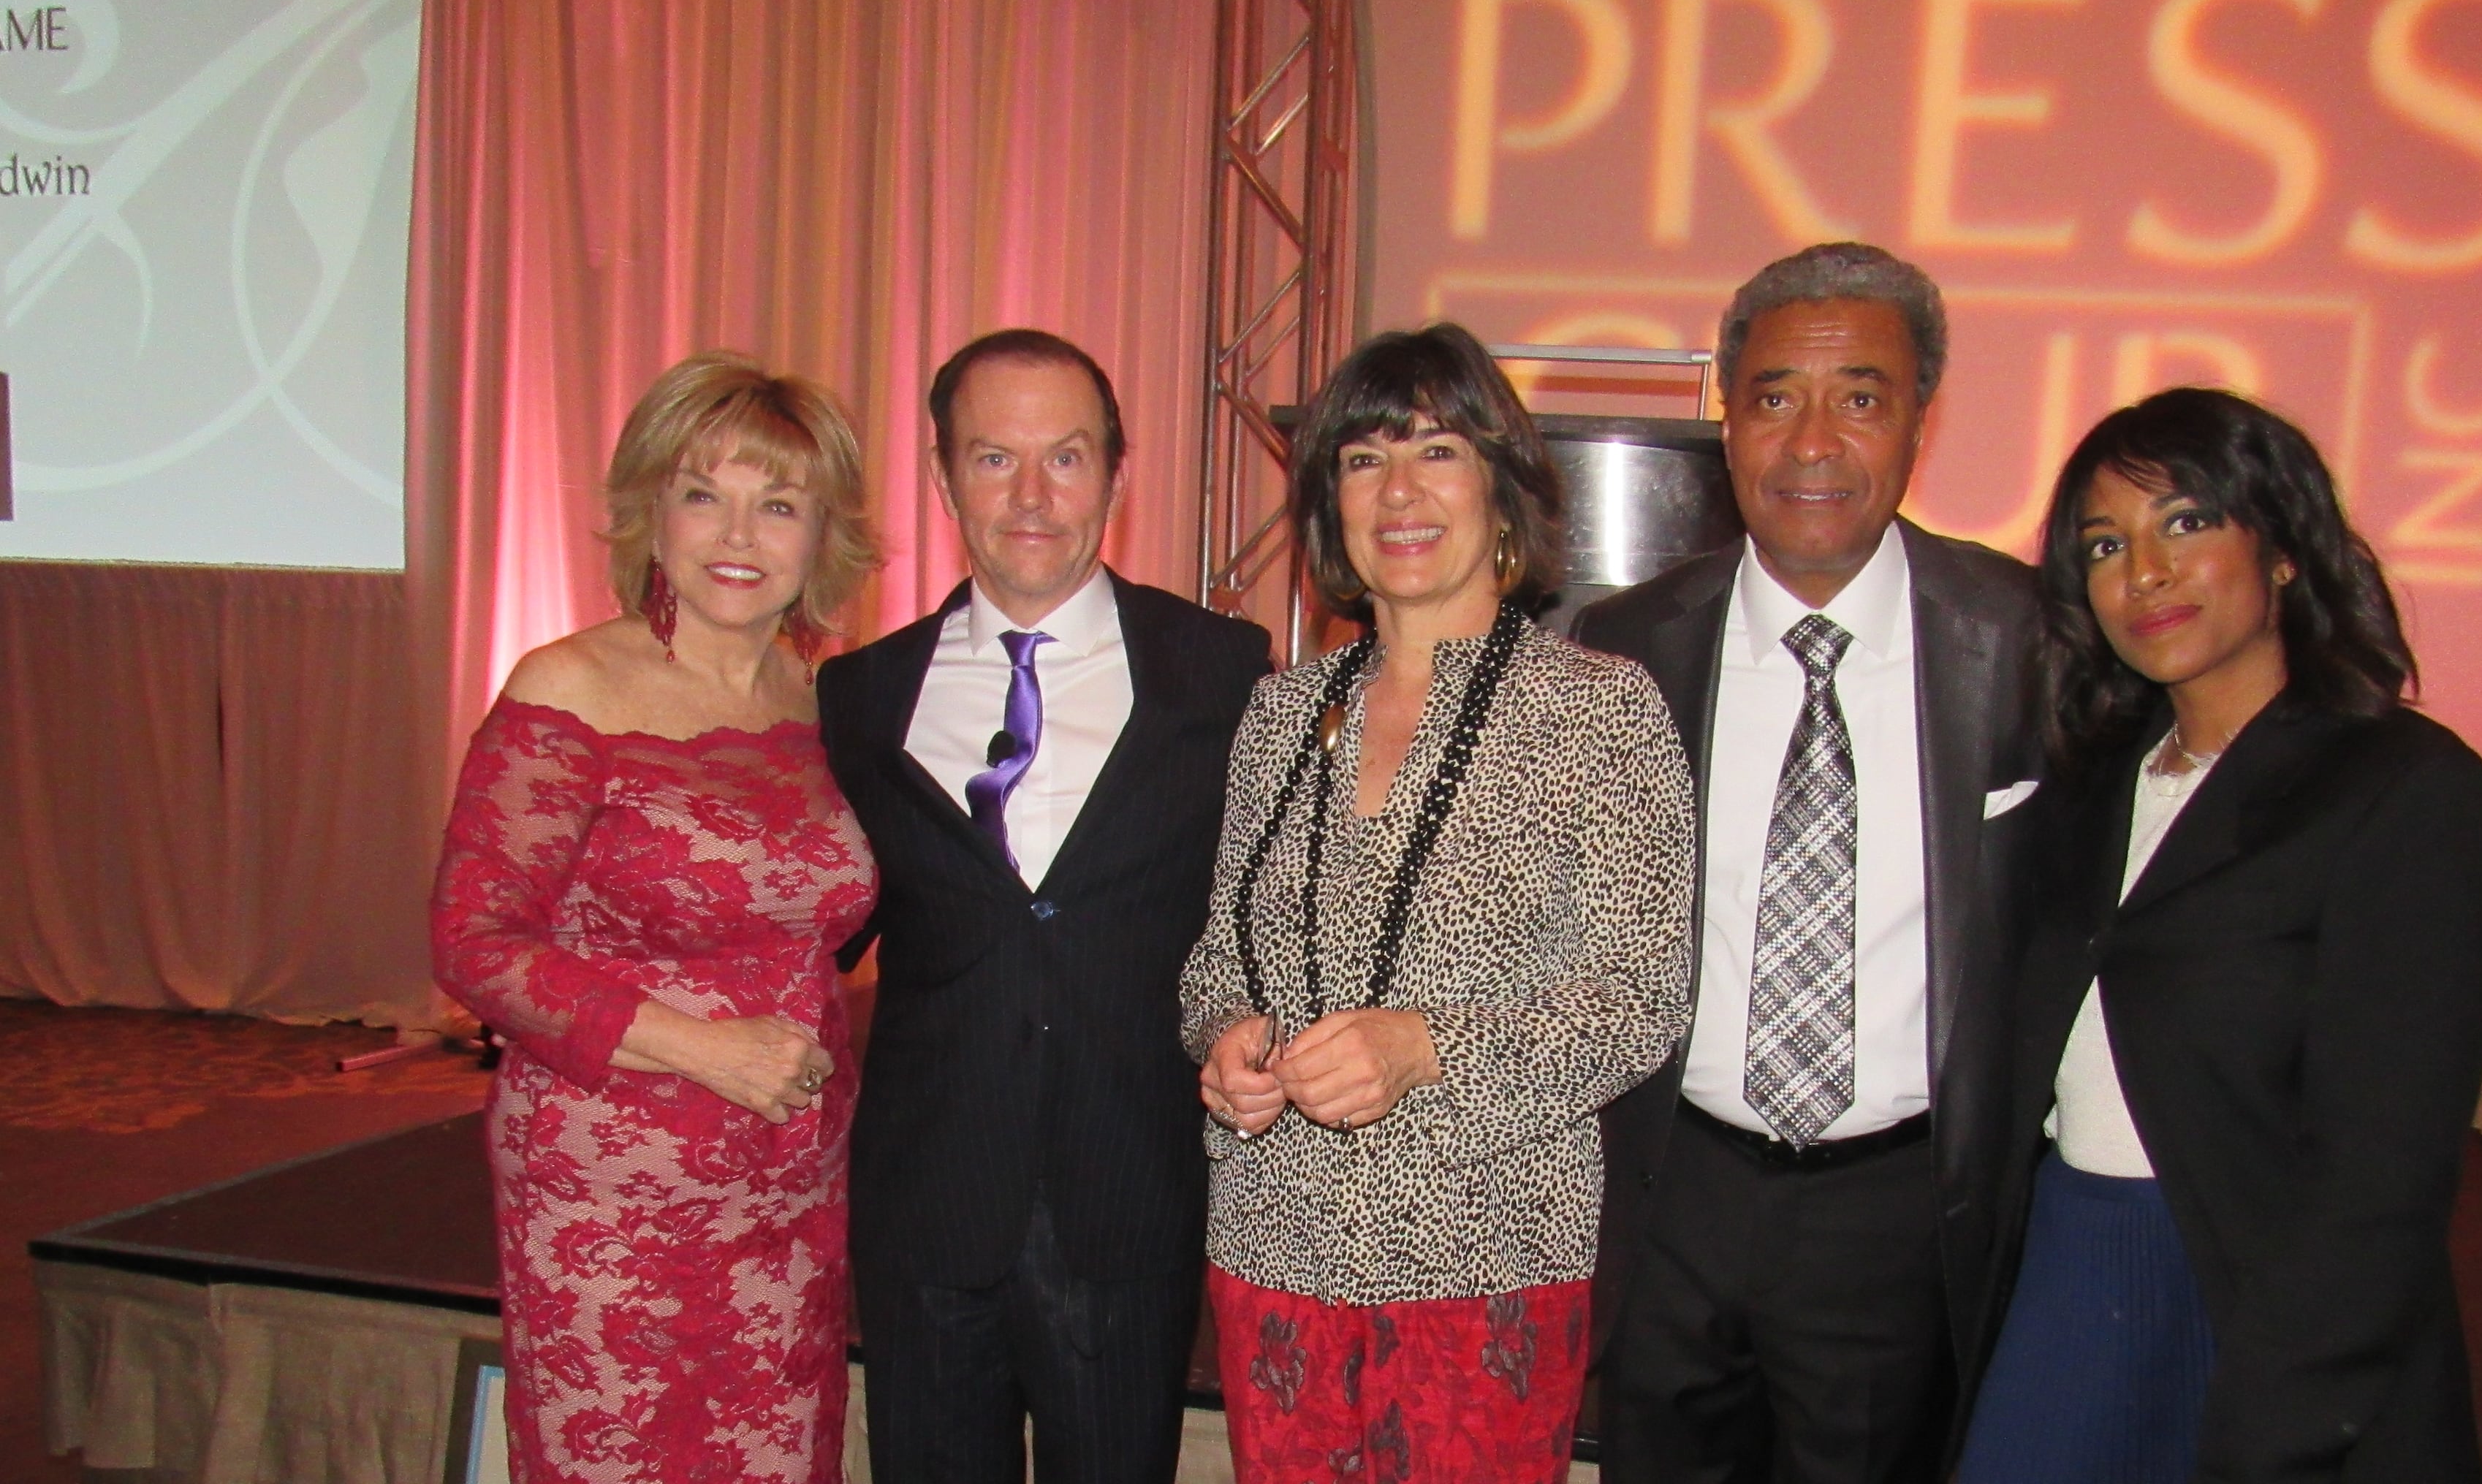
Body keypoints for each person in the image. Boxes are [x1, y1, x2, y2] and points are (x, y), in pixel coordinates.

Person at [1957, 387, 2482, 1483]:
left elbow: (2385, 1178)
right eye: (2106, 545)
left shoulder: (2405, 789)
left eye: (2187, 522)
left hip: (2265, 1298)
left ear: (2286, 548)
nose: (2145, 574)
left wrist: (2298, 1401)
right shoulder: (2087, 789)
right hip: (2072, 1262)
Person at [1180, 321, 1695, 1483]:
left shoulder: (1599, 712)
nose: (1400, 491)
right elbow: (1218, 956)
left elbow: (1639, 999)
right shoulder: (1280, 716)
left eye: (1439, 451)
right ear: (1329, 508)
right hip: (1276, 1243)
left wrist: (1427, 1049)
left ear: (1504, 492)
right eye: (1363, 460)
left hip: (1487, 1254)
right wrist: (1222, 1043)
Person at [1575, 242, 2044, 1483]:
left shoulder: (2025, 639)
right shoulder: (1624, 646)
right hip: (1673, 1189)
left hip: (1896, 1209)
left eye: (1862, 399)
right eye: (1777, 397)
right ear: (1728, 423)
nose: (1815, 442)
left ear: (1918, 425)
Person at [815, 329, 1271, 1484]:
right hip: (927, 1202)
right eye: (992, 458)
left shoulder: (1223, 672)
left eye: (1065, 459)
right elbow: (813, 924)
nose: (1030, 496)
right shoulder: (860, 695)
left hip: (1129, 1191)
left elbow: (1272, 911)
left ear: (1118, 474)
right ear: (942, 476)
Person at [431, 351, 884, 1484]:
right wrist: (706, 1051)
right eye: (703, 493)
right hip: (611, 1191)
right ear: (654, 512)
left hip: (790, 1187)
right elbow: (474, 941)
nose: (738, 533)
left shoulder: (826, 704)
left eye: (777, 504)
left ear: (820, 536)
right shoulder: (570, 687)